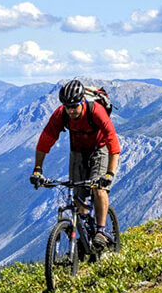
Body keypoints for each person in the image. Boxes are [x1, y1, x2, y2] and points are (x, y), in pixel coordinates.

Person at [30, 80, 121, 247]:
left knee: (98, 189)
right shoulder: (61, 114)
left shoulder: (96, 111)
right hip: (77, 151)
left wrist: (110, 174)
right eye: (67, 106)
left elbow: (113, 143)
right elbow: (45, 141)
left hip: (100, 148)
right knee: (77, 193)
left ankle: (101, 230)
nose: (71, 110)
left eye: (74, 106)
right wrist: (37, 169)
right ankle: (85, 234)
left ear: (82, 101)